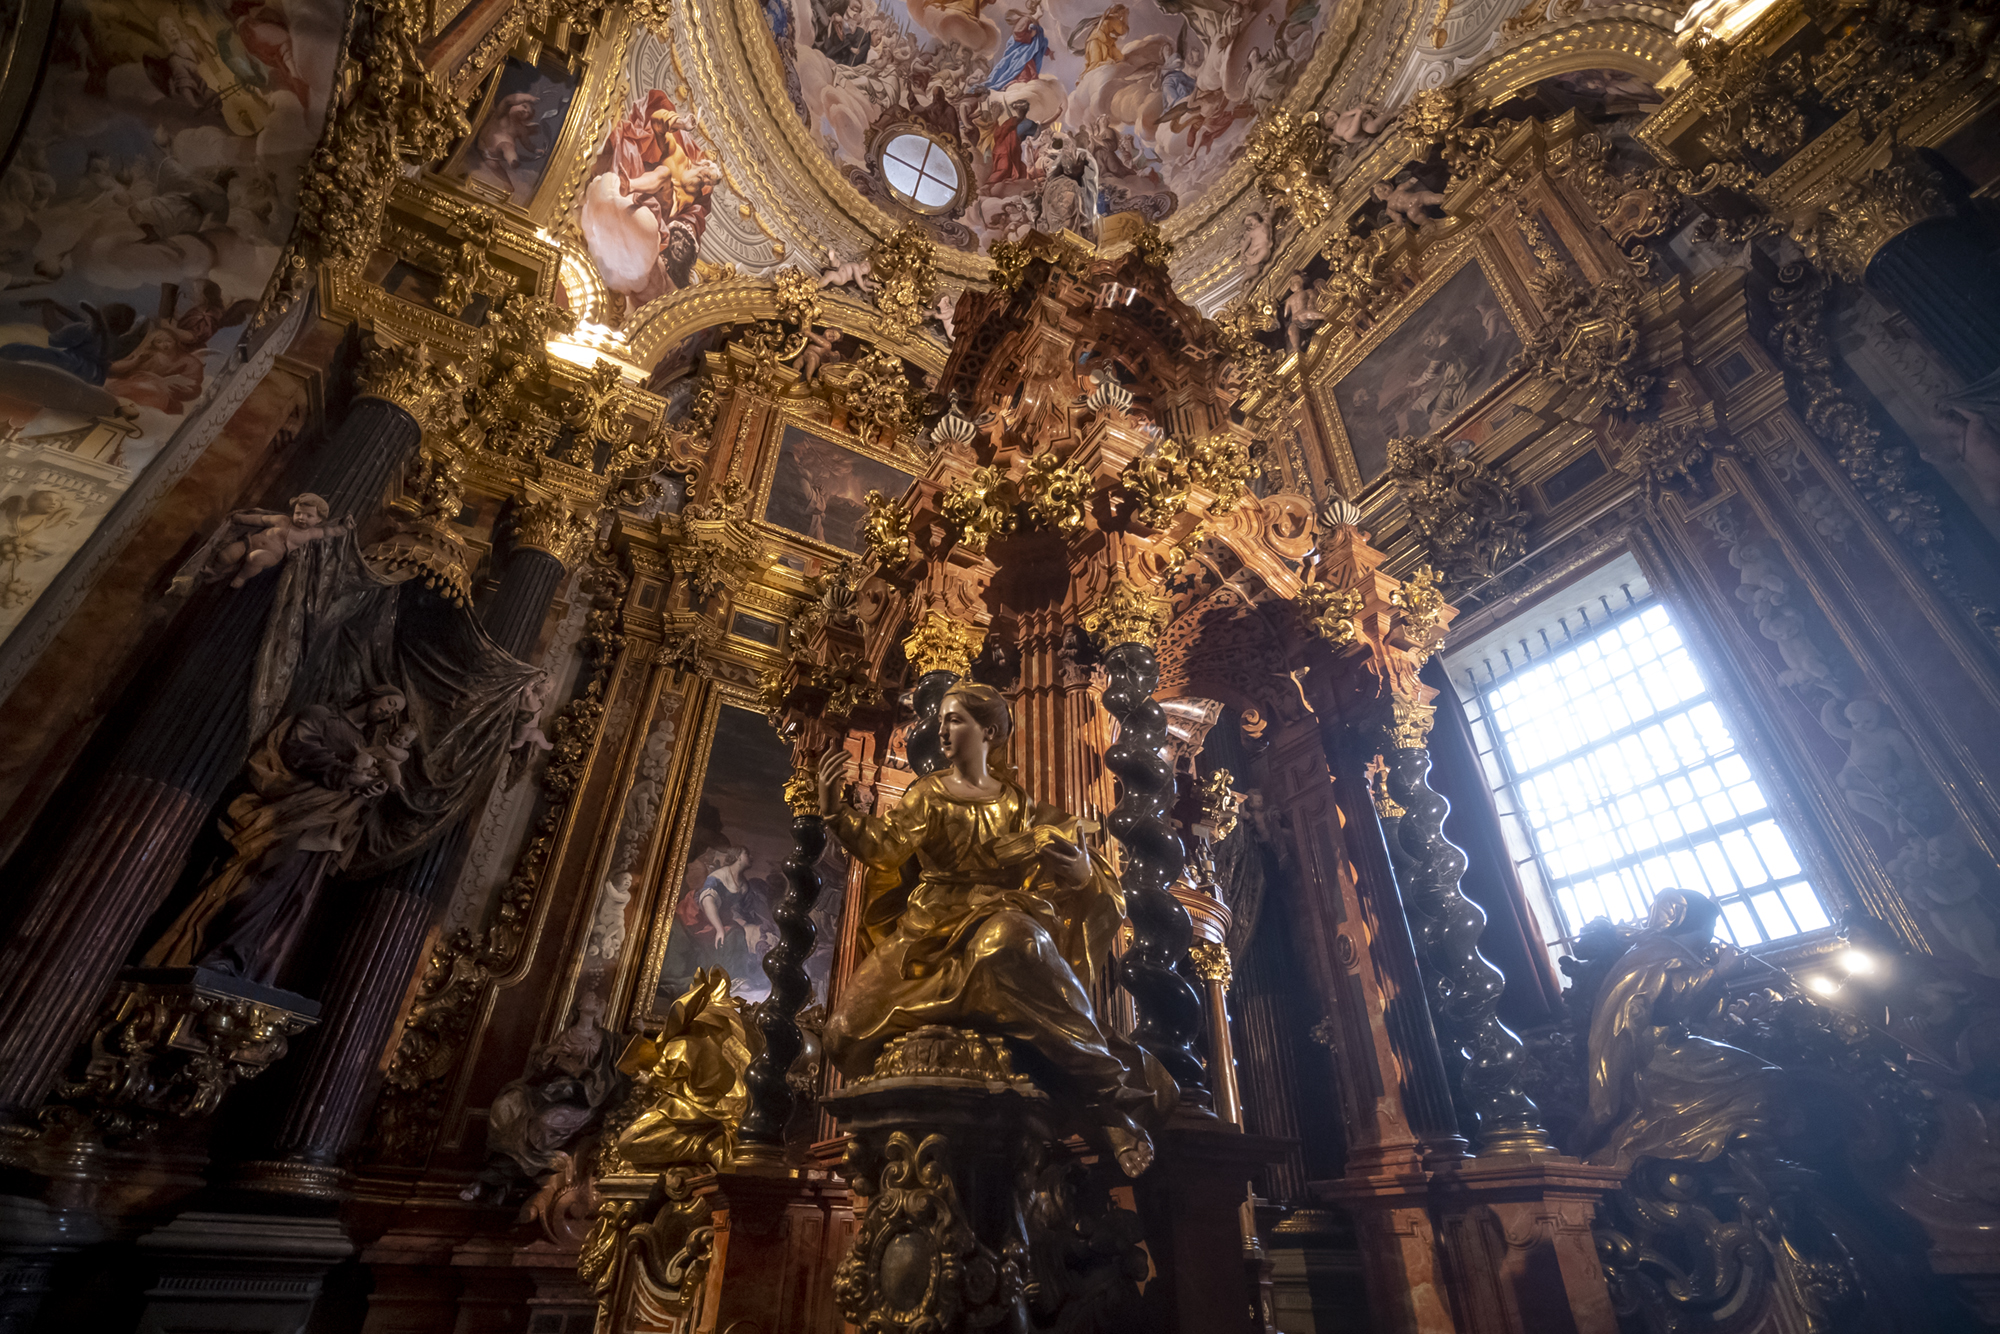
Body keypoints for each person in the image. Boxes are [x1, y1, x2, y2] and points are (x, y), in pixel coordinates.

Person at [816, 682, 1174, 1174]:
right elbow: (885, 848)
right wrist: (835, 811)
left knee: (1006, 943)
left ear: (989, 732)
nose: (942, 730)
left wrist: (1080, 874)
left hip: (1001, 914)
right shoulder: (928, 794)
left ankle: (1111, 1095)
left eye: (954, 720)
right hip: (929, 929)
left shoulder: (1019, 806)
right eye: (941, 720)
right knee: (842, 1034)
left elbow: (1080, 870)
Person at [1573, 890, 1784, 1166]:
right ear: (1694, 923)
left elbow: (1702, 1012)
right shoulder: (1655, 953)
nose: (1714, 932)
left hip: (1678, 1046)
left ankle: (1739, 1151)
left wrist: (1717, 975)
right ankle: (1722, 1151)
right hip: (1652, 1058)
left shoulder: (1677, 953)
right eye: (1712, 925)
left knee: (1766, 1077)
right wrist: (1718, 972)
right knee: (1760, 1079)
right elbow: (1672, 1001)